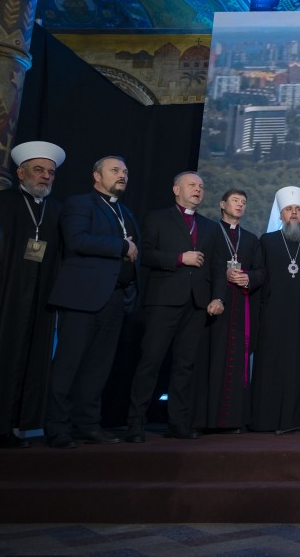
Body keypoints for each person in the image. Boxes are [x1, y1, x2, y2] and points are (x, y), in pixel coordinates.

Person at [45, 156, 140, 449]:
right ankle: (57, 427)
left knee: (98, 368)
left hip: (113, 298)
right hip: (82, 296)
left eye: (125, 171)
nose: (122, 175)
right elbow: (77, 241)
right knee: (68, 365)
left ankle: (87, 424)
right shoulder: (80, 203)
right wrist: (122, 246)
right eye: (115, 171)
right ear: (96, 176)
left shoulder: (124, 210)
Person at [126, 172, 222, 442]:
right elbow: (145, 254)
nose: (198, 190)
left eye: (201, 186)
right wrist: (180, 258)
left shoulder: (210, 227)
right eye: (192, 185)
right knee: (150, 362)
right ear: (176, 189)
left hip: (196, 305)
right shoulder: (157, 218)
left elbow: (217, 267)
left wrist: (218, 297)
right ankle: (135, 423)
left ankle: (177, 423)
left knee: (185, 366)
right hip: (163, 302)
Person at [0, 141, 65, 448]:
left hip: (40, 297)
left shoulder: (57, 211)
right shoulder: (1, 202)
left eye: (50, 172)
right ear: (21, 172)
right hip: (4, 295)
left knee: (31, 357)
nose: (46, 177)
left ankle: (16, 424)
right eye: (39, 170)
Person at [251, 186, 300, 432]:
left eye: (298, 209)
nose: (294, 214)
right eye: (289, 210)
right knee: (271, 368)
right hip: (273, 317)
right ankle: (266, 420)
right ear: (281, 215)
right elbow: (260, 280)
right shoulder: (267, 241)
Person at [192, 189, 265, 432]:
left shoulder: (251, 239)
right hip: (212, 306)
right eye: (235, 201)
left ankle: (233, 420)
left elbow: (261, 272)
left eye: (244, 202)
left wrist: (247, 278)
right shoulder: (209, 232)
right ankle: (203, 420)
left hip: (240, 306)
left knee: (237, 362)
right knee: (209, 359)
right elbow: (202, 265)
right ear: (222, 204)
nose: (240, 205)